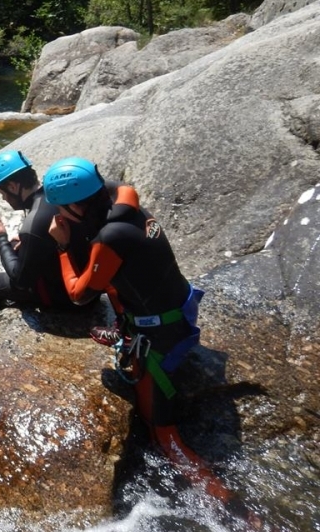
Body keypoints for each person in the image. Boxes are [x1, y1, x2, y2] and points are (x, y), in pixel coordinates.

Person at [42, 156, 255, 516]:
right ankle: (125, 332)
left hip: (160, 336)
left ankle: (239, 512)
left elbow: (79, 294)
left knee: (164, 437)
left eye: (63, 208)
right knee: (113, 280)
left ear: (75, 206)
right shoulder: (128, 199)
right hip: (179, 306)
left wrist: (63, 246)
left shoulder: (109, 238)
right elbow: (111, 192)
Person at [0, 150, 89, 315]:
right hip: (89, 290)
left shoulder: (34, 223)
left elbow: (20, 280)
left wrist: (1, 238)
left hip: (65, 301)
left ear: (13, 186)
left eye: (2, 193)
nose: (3, 199)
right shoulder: (57, 197)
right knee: (16, 244)